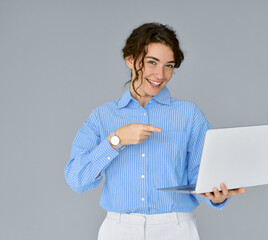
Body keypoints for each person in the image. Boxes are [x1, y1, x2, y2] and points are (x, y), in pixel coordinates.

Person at [65, 22, 246, 240]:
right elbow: (76, 179)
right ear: (130, 60)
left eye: (169, 65)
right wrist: (116, 140)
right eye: (152, 62)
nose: (160, 74)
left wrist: (215, 196)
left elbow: (201, 175)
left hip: (176, 229)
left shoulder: (189, 114)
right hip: (118, 230)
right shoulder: (102, 117)